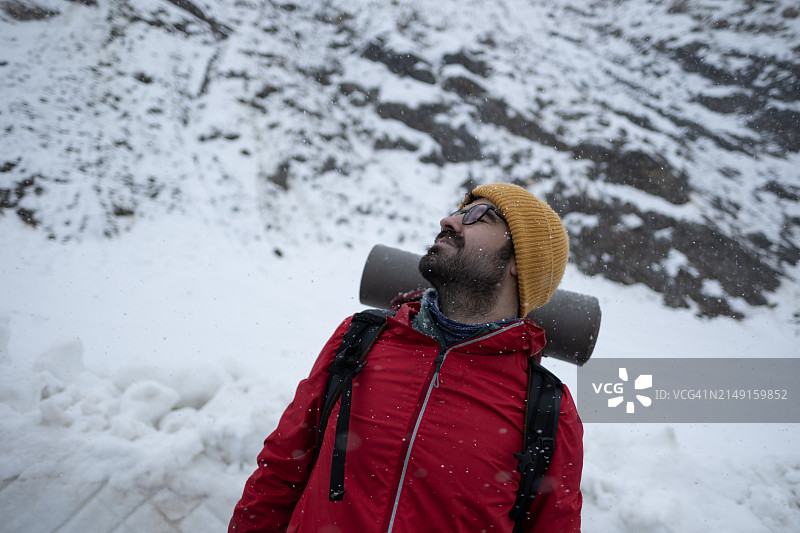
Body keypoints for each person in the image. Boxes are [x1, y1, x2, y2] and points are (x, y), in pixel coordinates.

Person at [229, 183, 583, 533]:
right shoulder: (359, 339)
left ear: (521, 260)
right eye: (458, 211)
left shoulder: (547, 407)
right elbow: (279, 473)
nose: (449, 220)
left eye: (479, 217)